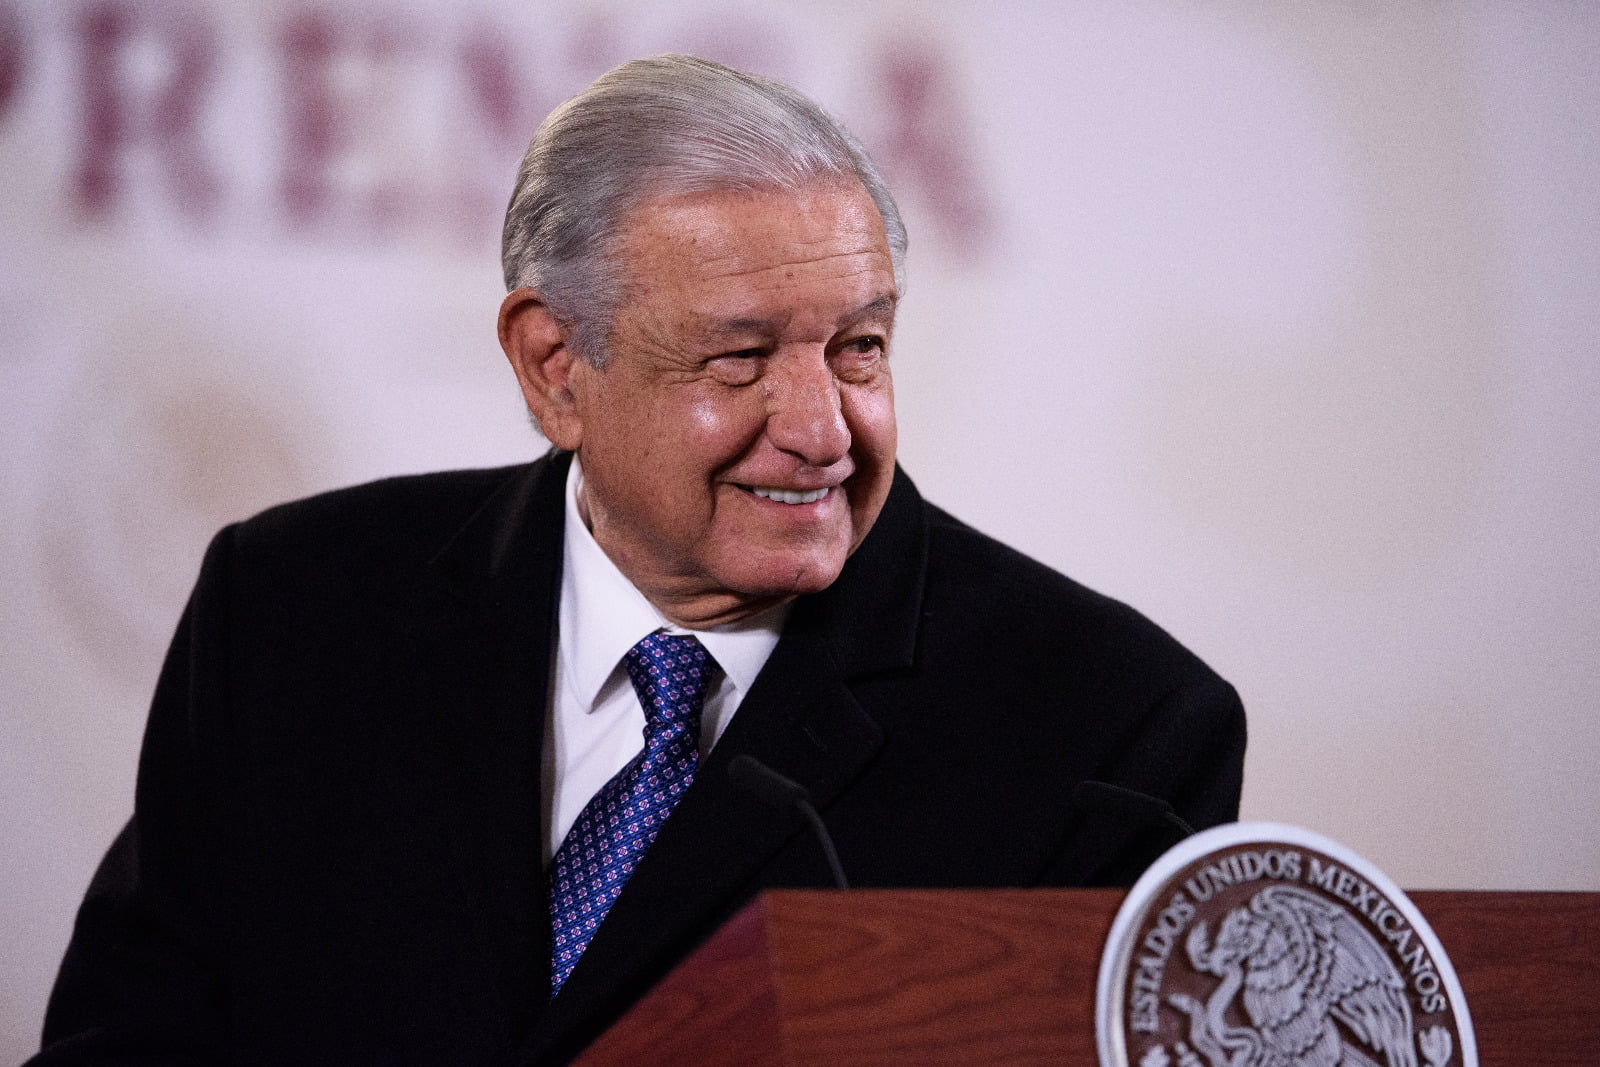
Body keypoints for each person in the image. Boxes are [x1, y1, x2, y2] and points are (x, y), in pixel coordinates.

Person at [33, 55, 1245, 1066]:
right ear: (554, 365)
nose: (824, 428)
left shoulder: (1107, 724)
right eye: (739, 360)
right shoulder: (301, 607)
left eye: (861, 347)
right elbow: (133, 1039)